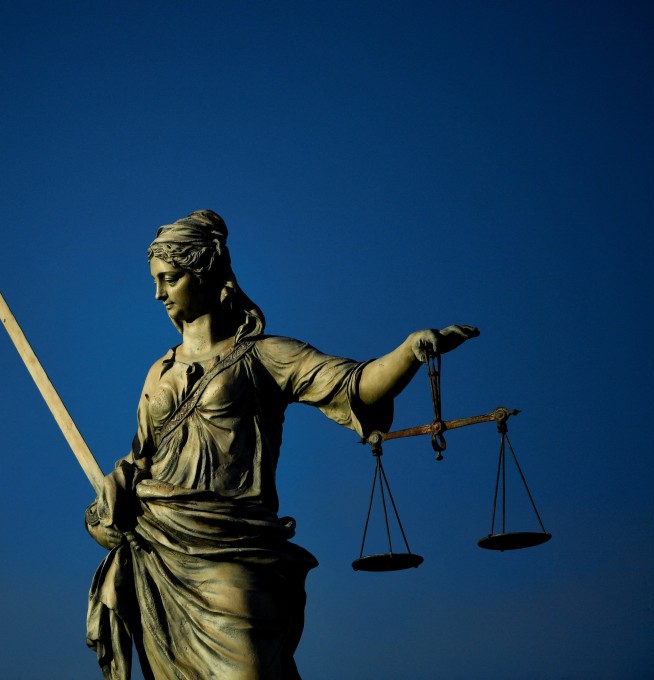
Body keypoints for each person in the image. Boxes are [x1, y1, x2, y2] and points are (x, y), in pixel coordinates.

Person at [84, 210, 477, 680]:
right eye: (155, 281)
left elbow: (354, 385)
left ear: (204, 273)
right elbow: (140, 462)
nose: (159, 293)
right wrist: (105, 510)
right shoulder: (158, 374)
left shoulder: (265, 356)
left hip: (235, 554)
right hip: (159, 556)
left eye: (170, 279)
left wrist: (409, 352)